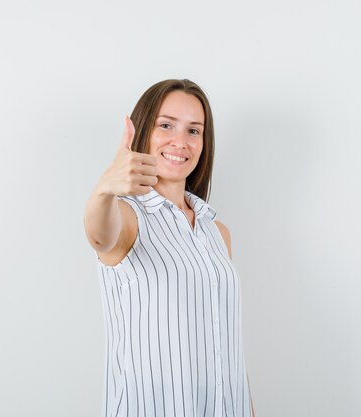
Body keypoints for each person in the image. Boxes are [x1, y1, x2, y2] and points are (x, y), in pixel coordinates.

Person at [83, 79, 255, 417]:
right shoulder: (127, 216)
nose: (181, 141)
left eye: (194, 131)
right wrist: (104, 190)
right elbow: (100, 236)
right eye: (166, 125)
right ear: (145, 130)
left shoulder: (217, 231)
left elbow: (227, 346)